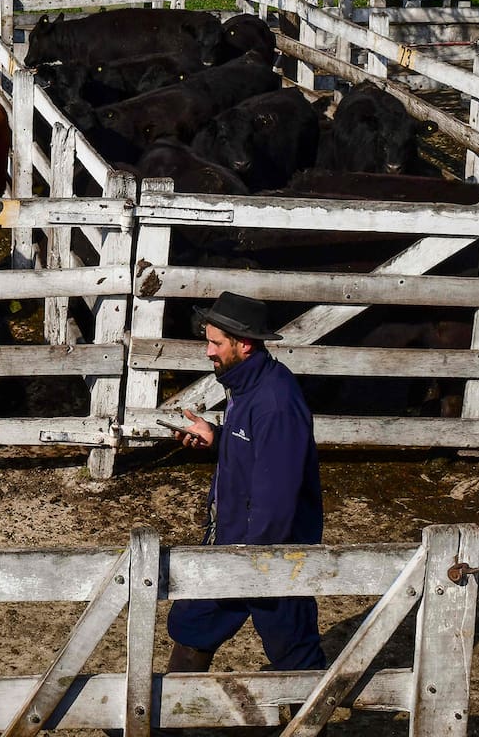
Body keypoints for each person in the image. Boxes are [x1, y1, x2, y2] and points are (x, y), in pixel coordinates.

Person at [165, 291, 326, 680]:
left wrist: (249, 563)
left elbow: (278, 496)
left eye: (216, 343)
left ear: (244, 344)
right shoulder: (246, 386)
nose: (208, 352)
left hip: (271, 554)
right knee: (193, 625)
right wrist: (216, 437)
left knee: (294, 652)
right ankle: (168, 710)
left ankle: (311, 713)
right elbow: (256, 452)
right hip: (235, 543)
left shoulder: (275, 402)